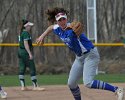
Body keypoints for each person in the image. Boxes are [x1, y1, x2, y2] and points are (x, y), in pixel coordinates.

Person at [36, 7, 124, 100]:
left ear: (66, 19)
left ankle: (117, 89)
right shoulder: (57, 28)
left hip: (90, 55)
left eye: (63, 19)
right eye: (59, 20)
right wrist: (42, 36)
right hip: (79, 58)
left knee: (88, 83)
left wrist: (73, 32)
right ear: (56, 21)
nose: (62, 21)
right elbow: (50, 28)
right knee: (71, 83)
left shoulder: (72, 29)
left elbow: (74, 32)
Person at [18, 19, 45, 91]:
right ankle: (35, 86)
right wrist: (30, 54)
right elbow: (25, 44)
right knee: (32, 67)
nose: (30, 27)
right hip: (25, 52)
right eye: (29, 25)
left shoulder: (21, 33)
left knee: (22, 68)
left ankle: (23, 86)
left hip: (20, 52)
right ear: (26, 26)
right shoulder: (26, 33)